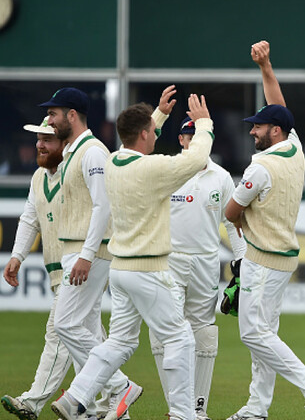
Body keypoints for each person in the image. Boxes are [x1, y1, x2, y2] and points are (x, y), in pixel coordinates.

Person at [51, 89, 214, 420]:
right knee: (180, 338)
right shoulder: (152, 169)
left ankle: (76, 396)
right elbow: (196, 159)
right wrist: (204, 124)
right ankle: (183, 414)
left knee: (120, 342)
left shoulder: (113, 162)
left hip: (121, 271)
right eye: (152, 131)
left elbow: (137, 137)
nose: (155, 134)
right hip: (148, 270)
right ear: (143, 134)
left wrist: (159, 115)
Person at [224, 40, 305, 420]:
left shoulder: (261, 167)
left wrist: (240, 219)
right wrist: (266, 67)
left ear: (275, 131)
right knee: (264, 335)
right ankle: (257, 408)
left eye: (257, 127)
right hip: (282, 258)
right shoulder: (294, 149)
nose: (252, 132)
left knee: (253, 334)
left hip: (263, 260)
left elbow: (230, 210)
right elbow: (280, 107)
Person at [40, 87, 137, 420]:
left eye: (53, 114)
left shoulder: (93, 152)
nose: (49, 121)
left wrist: (87, 254)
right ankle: (107, 406)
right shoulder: (72, 152)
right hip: (79, 249)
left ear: (72, 115)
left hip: (89, 253)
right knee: (89, 331)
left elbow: (103, 206)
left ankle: (119, 386)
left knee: (66, 324)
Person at [148, 115, 247, 420]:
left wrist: (241, 260)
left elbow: (232, 222)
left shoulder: (221, 177)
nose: (193, 141)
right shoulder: (169, 170)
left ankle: (197, 408)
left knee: (202, 331)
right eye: (188, 136)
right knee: (164, 330)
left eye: (198, 136)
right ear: (181, 140)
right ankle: (177, 408)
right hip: (170, 260)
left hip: (206, 261)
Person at [0, 117, 73, 420]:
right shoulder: (37, 178)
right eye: (38, 139)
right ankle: (112, 400)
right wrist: (17, 256)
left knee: (58, 332)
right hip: (57, 272)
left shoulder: (76, 172)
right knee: (90, 340)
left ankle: (32, 402)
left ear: (64, 144)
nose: (40, 145)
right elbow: (30, 219)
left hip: (79, 268)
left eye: (47, 140)